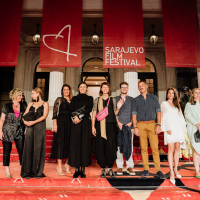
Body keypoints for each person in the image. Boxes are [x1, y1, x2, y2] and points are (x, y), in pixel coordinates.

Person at [132, 81, 166, 179]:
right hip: (141, 125)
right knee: (143, 148)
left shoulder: (154, 97)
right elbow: (134, 114)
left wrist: (158, 125)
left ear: (146, 86)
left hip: (152, 124)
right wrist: (135, 127)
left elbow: (158, 112)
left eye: (142, 85)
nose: (141, 87)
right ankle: (146, 169)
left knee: (155, 148)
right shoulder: (136, 99)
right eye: (139, 86)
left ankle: (158, 170)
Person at [21, 87, 49, 179]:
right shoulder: (30, 103)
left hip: (40, 127)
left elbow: (44, 116)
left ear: (38, 94)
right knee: (28, 147)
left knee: (38, 148)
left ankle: (36, 171)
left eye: (33, 93)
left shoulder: (45, 104)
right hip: (29, 127)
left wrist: (33, 122)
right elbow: (24, 115)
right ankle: (27, 171)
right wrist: (25, 122)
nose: (31, 95)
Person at [161, 87, 187, 184]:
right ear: (167, 94)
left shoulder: (177, 104)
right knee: (171, 149)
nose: (171, 94)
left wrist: (184, 130)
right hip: (170, 129)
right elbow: (164, 116)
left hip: (178, 128)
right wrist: (167, 128)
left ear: (174, 94)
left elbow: (181, 118)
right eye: (169, 93)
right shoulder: (164, 103)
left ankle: (176, 169)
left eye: (172, 93)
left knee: (177, 149)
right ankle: (171, 172)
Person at [92, 82, 117, 178]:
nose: (105, 89)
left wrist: (118, 107)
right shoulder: (97, 99)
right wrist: (93, 126)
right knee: (100, 147)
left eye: (107, 87)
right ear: (101, 89)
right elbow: (94, 113)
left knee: (111, 147)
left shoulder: (113, 100)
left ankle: (110, 168)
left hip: (111, 125)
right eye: (103, 87)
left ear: (109, 89)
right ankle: (103, 168)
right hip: (99, 125)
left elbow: (115, 113)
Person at [68, 82, 93, 179]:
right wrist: (74, 119)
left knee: (84, 145)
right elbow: (70, 110)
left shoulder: (89, 98)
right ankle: (76, 169)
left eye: (84, 87)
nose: (82, 88)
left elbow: (89, 109)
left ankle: (83, 169)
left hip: (85, 123)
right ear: (78, 88)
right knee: (76, 145)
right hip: (75, 124)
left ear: (86, 89)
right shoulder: (74, 98)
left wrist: (79, 117)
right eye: (81, 87)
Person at [0, 88, 25, 178]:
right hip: (7, 131)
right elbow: (2, 119)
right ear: (14, 96)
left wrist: (25, 128)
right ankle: (7, 170)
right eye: (19, 95)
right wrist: (0, 131)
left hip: (20, 130)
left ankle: (23, 169)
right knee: (7, 151)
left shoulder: (23, 106)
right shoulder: (6, 106)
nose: (21, 97)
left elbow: (24, 118)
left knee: (22, 149)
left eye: (21, 95)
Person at [50, 84, 72, 175]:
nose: (66, 91)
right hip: (61, 123)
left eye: (67, 89)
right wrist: (55, 124)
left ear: (70, 91)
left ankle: (67, 165)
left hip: (70, 124)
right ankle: (59, 167)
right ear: (62, 91)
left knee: (69, 144)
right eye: (64, 89)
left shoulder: (72, 100)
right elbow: (55, 114)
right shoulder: (59, 100)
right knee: (60, 144)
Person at [115, 82, 135, 176]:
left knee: (129, 145)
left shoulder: (132, 100)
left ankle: (129, 166)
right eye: (122, 87)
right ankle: (119, 166)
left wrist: (131, 122)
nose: (124, 89)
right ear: (120, 88)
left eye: (125, 87)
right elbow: (113, 112)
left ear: (128, 88)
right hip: (118, 126)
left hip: (129, 126)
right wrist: (118, 122)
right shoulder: (115, 99)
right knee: (119, 146)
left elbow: (135, 112)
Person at [184, 88, 200, 179]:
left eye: (199, 93)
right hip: (193, 129)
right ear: (192, 94)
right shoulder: (189, 105)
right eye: (196, 93)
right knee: (196, 149)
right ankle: (197, 170)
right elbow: (188, 115)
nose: (198, 94)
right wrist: (197, 124)